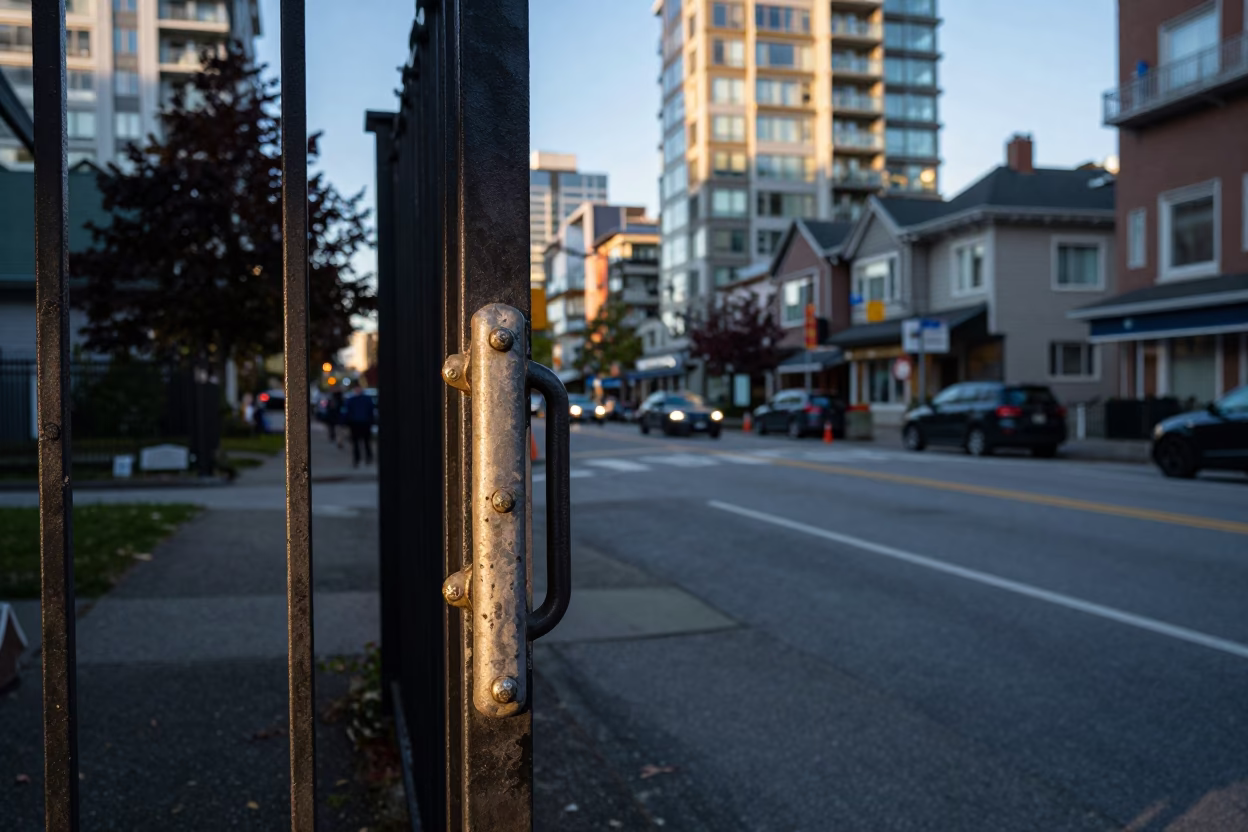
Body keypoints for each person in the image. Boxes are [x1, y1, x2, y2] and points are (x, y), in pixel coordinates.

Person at [344, 387, 375, 467]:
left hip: (361, 423)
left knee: (364, 442)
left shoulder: (355, 400)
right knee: (360, 442)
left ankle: (364, 457)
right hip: (358, 423)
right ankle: (361, 458)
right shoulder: (354, 400)